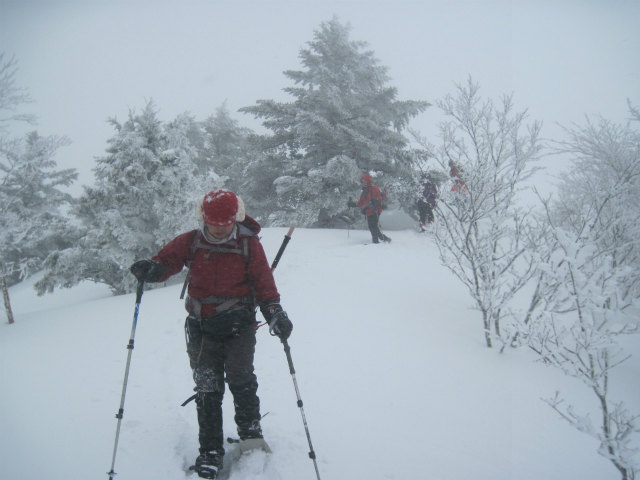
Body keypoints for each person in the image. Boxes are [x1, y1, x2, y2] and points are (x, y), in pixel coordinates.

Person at [129, 189, 293, 479]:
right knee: (207, 388)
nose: (219, 226)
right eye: (213, 221)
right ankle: (210, 451)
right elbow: (167, 262)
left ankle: (251, 436)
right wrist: (151, 269)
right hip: (201, 327)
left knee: (242, 380)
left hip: (239, 325)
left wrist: (275, 313)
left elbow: (264, 283)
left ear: (236, 217)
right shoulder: (191, 241)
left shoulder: (248, 244)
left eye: (226, 221)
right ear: (203, 217)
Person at [348, 173, 391, 244]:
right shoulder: (364, 192)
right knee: (373, 227)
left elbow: (379, 199)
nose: (363, 183)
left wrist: (374, 202)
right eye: (362, 182)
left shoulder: (375, 189)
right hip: (368, 211)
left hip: (376, 211)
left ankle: (376, 242)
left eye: (364, 181)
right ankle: (384, 239)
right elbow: (360, 203)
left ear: (368, 181)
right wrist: (352, 204)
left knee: (373, 227)